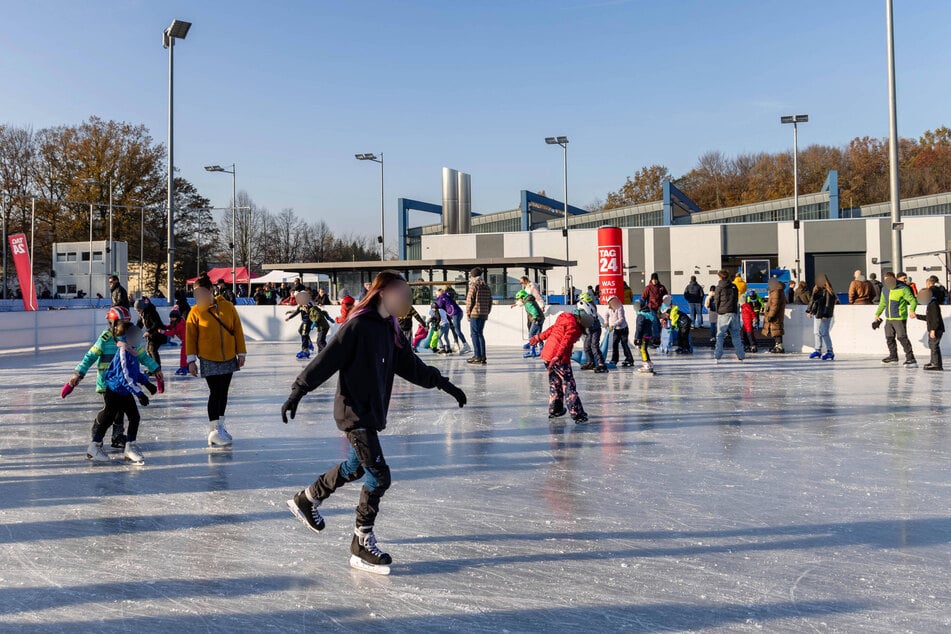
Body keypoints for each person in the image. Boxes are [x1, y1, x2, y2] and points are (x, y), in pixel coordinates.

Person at [280, 270, 466, 575]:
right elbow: (327, 359)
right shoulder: (357, 325)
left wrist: (444, 384)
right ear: (384, 293)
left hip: (371, 413)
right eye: (403, 294)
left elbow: (413, 367)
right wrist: (298, 390)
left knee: (355, 468)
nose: (407, 300)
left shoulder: (390, 330)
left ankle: (307, 498)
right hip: (354, 412)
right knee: (379, 477)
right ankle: (361, 542)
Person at [67, 306, 163, 454]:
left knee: (122, 410)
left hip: (123, 382)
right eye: (123, 324)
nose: (126, 327)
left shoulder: (131, 340)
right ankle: (99, 430)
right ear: (113, 324)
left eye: (128, 323)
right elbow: (90, 356)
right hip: (107, 381)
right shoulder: (105, 339)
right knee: (111, 411)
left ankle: (117, 436)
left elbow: (142, 356)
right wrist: (78, 373)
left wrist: (155, 368)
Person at [186, 274, 248, 447]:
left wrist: (241, 352)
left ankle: (220, 426)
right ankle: (213, 430)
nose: (198, 297)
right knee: (215, 392)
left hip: (228, 355)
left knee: (224, 392)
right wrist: (191, 360)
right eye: (196, 294)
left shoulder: (227, 307)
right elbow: (190, 337)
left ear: (211, 290)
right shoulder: (195, 311)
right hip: (208, 357)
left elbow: (237, 329)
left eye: (201, 292)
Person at [99, 322, 158, 465]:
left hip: (123, 390)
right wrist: (139, 394)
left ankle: (130, 447)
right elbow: (125, 377)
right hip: (114, 390)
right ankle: (95, 445)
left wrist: (147, 383)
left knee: (133, 417)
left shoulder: (131, 350)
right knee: (108, 418)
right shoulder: (123, 352)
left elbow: (135, 372)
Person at [529, 305, 589, 423]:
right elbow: (565, 342)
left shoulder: (564, 319)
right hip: (559, 358)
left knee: (555, 383)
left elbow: (551, 330)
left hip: (547, 355)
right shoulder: (574, 327)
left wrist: (537, 337)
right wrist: (558, 355)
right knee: (568, 384)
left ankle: (555, 409)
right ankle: (577, 413)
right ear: (581, 318)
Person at [874, 272, 918, 367]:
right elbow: (882, 303)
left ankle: (911, 358)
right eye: (885, 280)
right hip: (889, 318)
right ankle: (893, 356)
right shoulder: (885, 289)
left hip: (899, 317)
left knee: (902, 337)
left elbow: (913, 300)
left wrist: (912, 310)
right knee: (889, 337)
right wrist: (877, 314)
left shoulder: (903, 288)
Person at [714, 270, 745, 363]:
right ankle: (741, 355)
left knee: (720, 335)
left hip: (723, 313)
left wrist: (718, 310)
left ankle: (717, 355)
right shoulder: (734, 286)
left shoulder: (719, 287)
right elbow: (736, 299)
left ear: (720, 277)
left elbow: (717, 300)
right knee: (736, 335)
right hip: (733, 312)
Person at [465, 267, 492, 365]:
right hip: (484, 313)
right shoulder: (486, 286)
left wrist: (468, 313)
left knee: (474, 334)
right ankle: (482, 356)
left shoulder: (474, 285)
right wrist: (487, 312)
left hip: (475, 313)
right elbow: (490, 300)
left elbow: (469, 300)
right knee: (480, 334)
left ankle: (477, 356)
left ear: (472, 276)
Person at [806, 274, 837, 361]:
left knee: (824, 332)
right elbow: (813, 301)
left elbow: (828, 305)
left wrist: (825, 315)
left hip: (824, 315)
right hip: (817, 314)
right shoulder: (816, 290)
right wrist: (810, 311)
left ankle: (830, 351)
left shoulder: (828, 291)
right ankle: (817, 350)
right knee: (816, 332)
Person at [134, 298, 167, 373]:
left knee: (152, 349)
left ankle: (157, 369)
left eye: (138, 310)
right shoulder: (142, 314)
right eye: (136, 310)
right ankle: (153, 368)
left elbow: (156, 324)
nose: (138, 312)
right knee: (149, 349)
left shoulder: (151, 312)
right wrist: (134, 331)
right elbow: (139, 324)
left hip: (158, 334)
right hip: (152, 335)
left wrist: (149, 331)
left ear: (142, 308)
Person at [915, 287, 944, 371]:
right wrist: (917, 316)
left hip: (936, 329)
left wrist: (933, 330)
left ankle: (936, 364)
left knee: (934, 346)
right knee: (933, 346)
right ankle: (934, 362)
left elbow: (935, 319)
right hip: (934, 329)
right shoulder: (931, 304)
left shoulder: (933, 304)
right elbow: (929, 318)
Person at [285, 290, 320, 359]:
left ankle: (305, 350)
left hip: (308, 321)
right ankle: (308, 344)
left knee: (304, 334)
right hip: (304, 321)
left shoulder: (309, 303)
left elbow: (313, 310)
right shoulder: (301, 304)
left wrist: (308, 309)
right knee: (300, 331)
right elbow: (297, 311)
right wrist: (289, 317)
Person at [436, 286, 470, 355]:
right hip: (458, 312)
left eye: (436, 295)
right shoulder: (446, 295)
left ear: (439, 294)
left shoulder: (441, 297)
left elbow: (438, 307)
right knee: (454, 329)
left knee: (457, 330)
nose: (436, 296)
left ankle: (465, 345)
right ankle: (456, 345)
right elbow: (452, 294)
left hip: (455, 313)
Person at [577, 295, 607, 373]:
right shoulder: (586, 308)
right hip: (590, 330)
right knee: (586, 346)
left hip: (595, 330)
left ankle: (601, 364)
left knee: (594, 346)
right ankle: (590, 362)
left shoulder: (591, 307)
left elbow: (590, 317)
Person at [604, 295, 634, 367]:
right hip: (616, 330)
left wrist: (613, 325)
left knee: (624, 344)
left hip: (623, 329)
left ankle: (629, 359)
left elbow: (621, 319)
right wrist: (606, 322)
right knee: (614, 344)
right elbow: (606, 315)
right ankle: (614, 359)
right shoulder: (609, 309)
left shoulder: (620, 307)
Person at [514, 289, 545, 358]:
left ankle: (532, 351)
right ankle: (542, 349)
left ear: (522, 297)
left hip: (537, 319)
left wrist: (535, 318)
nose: (519, 300)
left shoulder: (528, 302)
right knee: (538, 335)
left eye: (519, 299)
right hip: (541, 318)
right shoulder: (529, 300)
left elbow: (534, 310)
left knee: (531, 335)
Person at [640, 273, 667, 341]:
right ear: (651, 280)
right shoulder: (648, 288)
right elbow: (643, 297)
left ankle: (661, 336)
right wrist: (641, 306)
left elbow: (666, 296)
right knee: (655, 321)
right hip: (651, 307)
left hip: (661, 308)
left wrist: (666, 304)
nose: (654, 281)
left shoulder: (661, 287)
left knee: (661, 322)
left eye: (655, 280)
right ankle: (656, 337)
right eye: (653, 280)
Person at [762, 278, 787, 353]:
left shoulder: (776, 291)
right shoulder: (777, 291)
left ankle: (779, 346)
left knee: (776, 330)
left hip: (776, 315)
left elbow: (775, 305)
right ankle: (777, 345)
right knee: (776, 330)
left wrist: (771, 315)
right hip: (777, 314)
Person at [632, 301, 657, 374]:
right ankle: (649, 363)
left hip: (643, 335)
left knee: (643, 349)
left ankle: (646, 364)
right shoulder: (648, 314)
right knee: (644, 349)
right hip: (648, 334)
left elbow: (639, 327)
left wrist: (637, 338)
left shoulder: (641, 315)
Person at [164, 308, 188, 375]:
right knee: (185, 355)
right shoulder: (175, 322)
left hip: (187, 341)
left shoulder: (180, 324)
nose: (171, 319)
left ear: (176, 317)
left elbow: (172, 332)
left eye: (173, 317)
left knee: (183, 355)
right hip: (185, 341)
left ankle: (183, 368)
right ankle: (187, 366)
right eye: (170, 317)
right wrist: (164, 326)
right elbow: (171, 327)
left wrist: (162, 331)